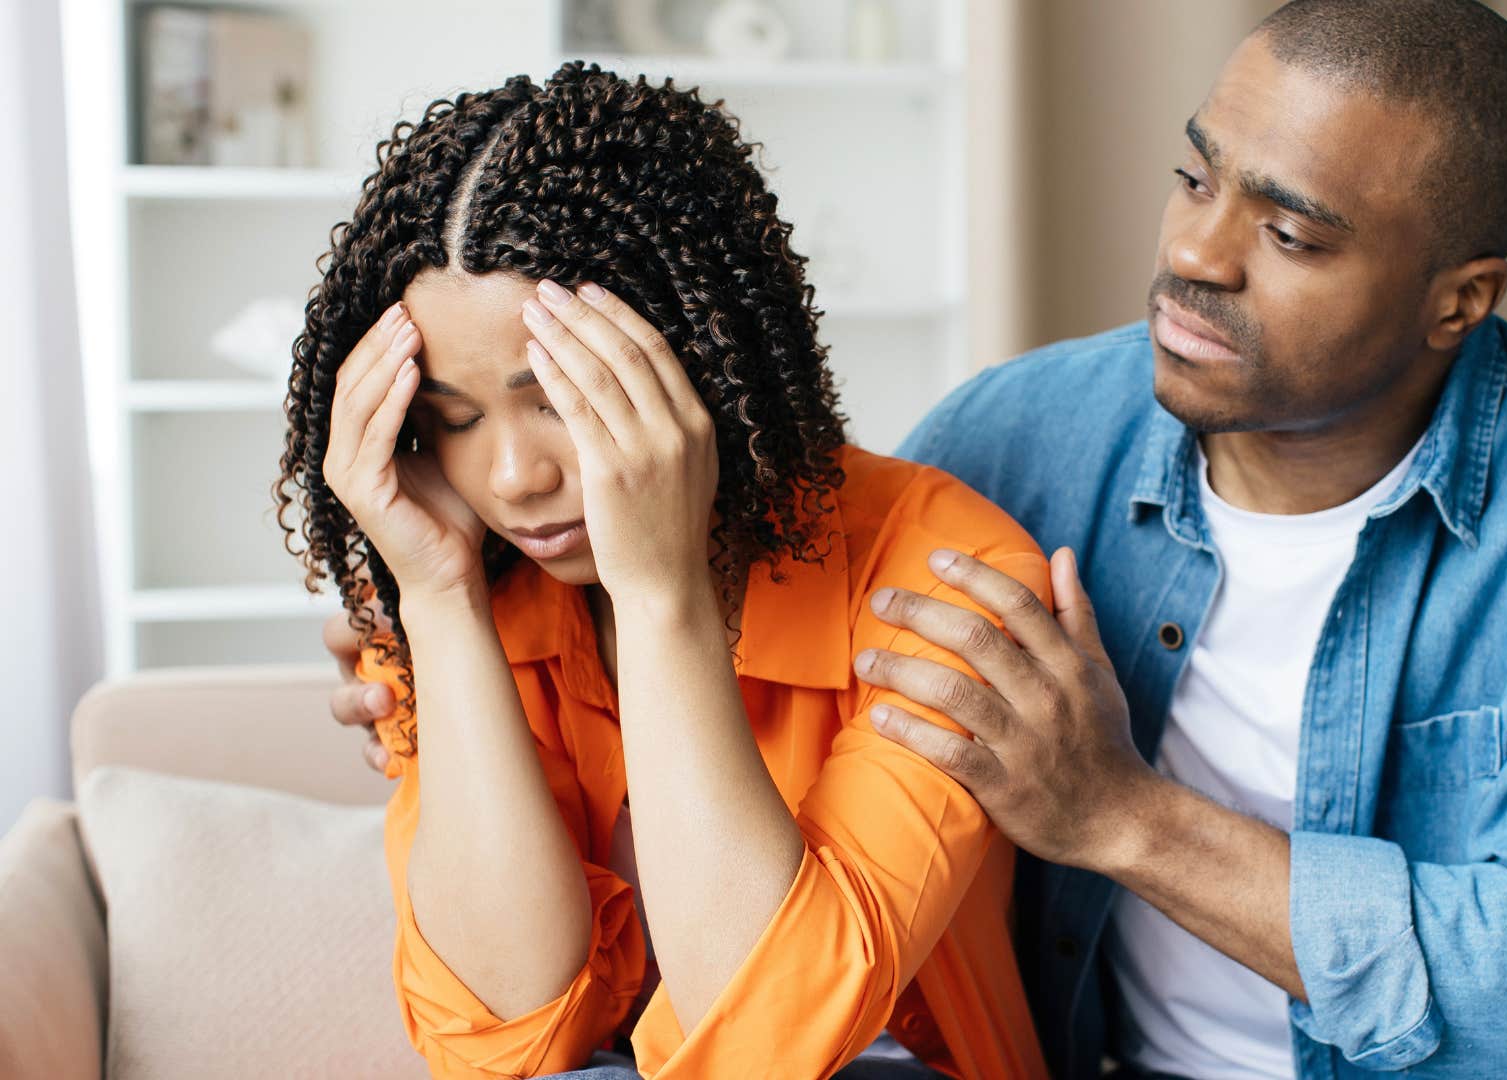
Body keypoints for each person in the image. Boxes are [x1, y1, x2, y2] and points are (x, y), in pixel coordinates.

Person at [325, 4, 1507, 1078]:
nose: (1193, 254)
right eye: (1196, 176)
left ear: (1463, 295)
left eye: (1290, 231)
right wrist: (454, 636)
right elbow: (783, 596)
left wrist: (1120, 814)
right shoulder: (1013, 438)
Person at [279, 62, 1048, 1079]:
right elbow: (497, 1036)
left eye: (559, 398)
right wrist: (438, 602)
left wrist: (661, 594)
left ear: (704, 356)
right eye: (451, 422)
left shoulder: (949, 573)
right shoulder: (462, 576)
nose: (513, 478)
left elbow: (770, 1040)